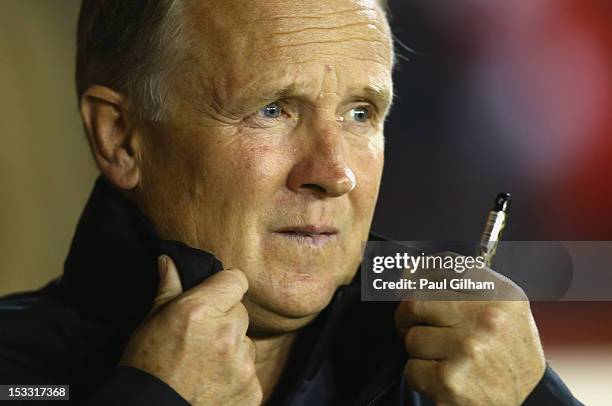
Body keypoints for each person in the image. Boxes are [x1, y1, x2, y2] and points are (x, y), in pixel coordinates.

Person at [0, 0, 582, 405]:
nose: (335, 174)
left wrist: (533, 399)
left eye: (360, 113)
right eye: (272, 109)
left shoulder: (461, 383)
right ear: (120, 138)